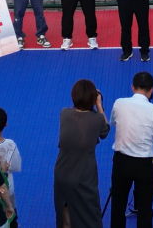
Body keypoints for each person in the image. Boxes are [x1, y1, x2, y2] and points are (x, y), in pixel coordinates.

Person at [110, 72, 153, 228]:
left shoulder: (119, 103)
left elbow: (113, 122)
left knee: (117, 207)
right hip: (145, 166)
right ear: (152, 89)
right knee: (145, 210)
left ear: (132, 87)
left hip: (121, 163)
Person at [54, 79, 110, 228]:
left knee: (66, 219)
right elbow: (105, 131)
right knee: (90, 217)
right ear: (93, 98)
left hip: (61, 174)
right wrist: (98, 105)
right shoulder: (97, 119)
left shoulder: (64, 113)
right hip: (84, 178)